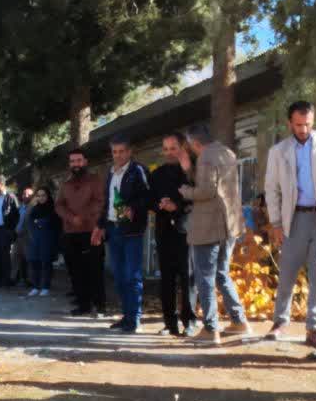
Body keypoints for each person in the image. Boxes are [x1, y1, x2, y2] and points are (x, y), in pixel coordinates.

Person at [263, 101, 316, 350]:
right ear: (289, 123)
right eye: (298, 125)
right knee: (287, 272)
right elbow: (272, 189)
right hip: (293, 218)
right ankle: (280, 322)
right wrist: (276, 222)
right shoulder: (278, 151)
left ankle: (314, 328)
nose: (303, 129)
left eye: (308, 124)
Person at [180, 125, 250, 344]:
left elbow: (206, 191)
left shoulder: (205, 157)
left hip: (210, 226)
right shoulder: (226, 152)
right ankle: (239, 321)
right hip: (230, 224)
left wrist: (185, 191)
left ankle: (211, 329)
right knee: (221, 273)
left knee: (205, 277)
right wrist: (188, 169)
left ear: (195, 143)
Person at [96, 134, 149, 333]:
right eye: (114, 152)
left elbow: (147, 197)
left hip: (131, 231)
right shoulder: (110, 172)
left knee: (132, 275)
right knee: (118, 275)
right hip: (113, 228)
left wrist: (133, 208)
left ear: (129, 152)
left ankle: (134, 319)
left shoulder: (138, 171)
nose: (117, 155)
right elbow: (108, 202)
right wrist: (100, 225)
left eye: (121, 152)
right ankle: (126, 316)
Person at [149, 132, 196, 336]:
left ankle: (190, 322)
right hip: (163, 229)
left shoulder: (191, 171)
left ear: (182, 147)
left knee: (188, 277)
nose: (169, 153)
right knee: (166, 277)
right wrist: (160, 205)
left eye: (173, 148)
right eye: (166, 149)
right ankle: (170, 323)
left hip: (187, 229)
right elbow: (148, 198)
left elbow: (198, 196)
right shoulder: (157, 174)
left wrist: (175, 207)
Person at [56, 148, 106, 317]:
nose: (75, 164)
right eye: (72, 161)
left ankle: (100, 305)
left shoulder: (95, 180)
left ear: (85, 162)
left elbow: (99, 202)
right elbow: (59, 205)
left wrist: (82, 216)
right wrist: (71, 218)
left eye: (78, 161)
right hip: (70, 232)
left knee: (94, 269)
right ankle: (83, 304)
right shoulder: (66, 183)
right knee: (75, 270)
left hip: (91, 231)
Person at [25, 186, 59, 297]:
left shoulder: (53, 209)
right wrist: (39, 223)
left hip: (47, 240)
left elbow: (51, 223)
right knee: (34, 263)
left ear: (48, 196)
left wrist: (39, 222)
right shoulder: (34, 209)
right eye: (38, 195)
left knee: (46, 263)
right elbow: (30, 222)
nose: (41, 198)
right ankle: (35, 286)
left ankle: (45, 287)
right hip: (35, 240)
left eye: (43, 195)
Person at [13, 186, 35, 287]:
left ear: (32, 196)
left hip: (28, 236)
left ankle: (31, 280)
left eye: (28, 194)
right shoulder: (20, 207)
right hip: (18, 237)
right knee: (16, 257)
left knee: (29, 258)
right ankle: (17, 278)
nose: (25, 196)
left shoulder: (33, 207)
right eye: (24, 194)